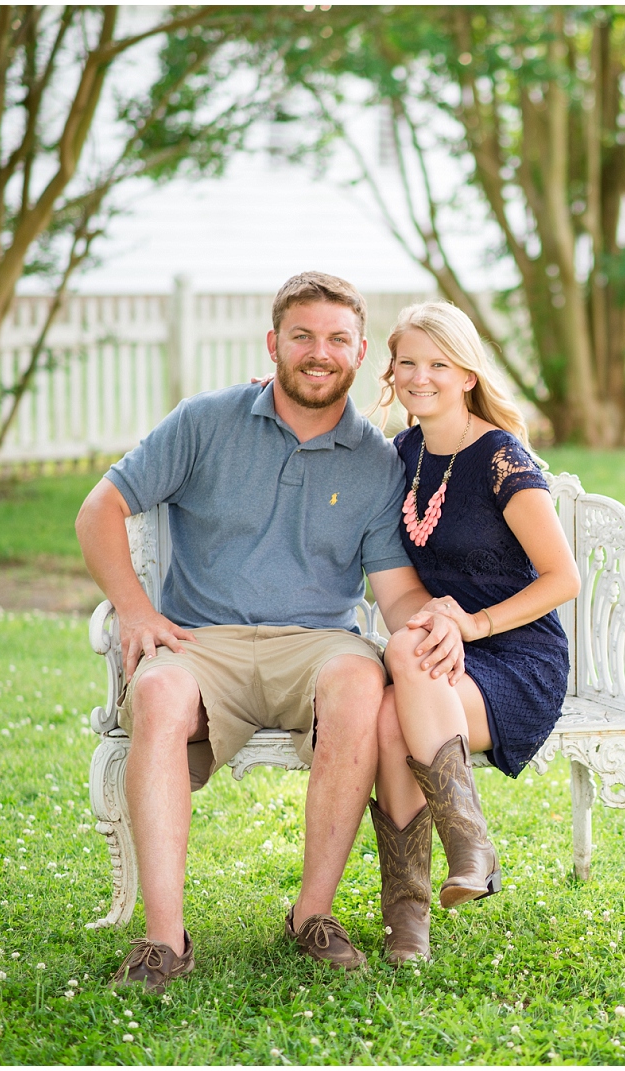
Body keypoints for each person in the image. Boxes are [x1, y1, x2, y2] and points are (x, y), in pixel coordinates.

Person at [75, 272, 464, 992]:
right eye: (304, 336)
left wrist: (438, 621)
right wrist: (134, 608)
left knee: (357, 678)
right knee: (157, 696)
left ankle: (311, 915)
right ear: (273, 344)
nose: (320, 352)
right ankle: (163, 939)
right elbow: (98, 510)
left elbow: (394, 590)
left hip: (316, 643)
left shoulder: (378, 461)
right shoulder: (204, 421)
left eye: (337, 339)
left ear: (360, 352)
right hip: (200, 641)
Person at [366, 302, 580, 964]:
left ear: (466, 375)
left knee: (401, 669)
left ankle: (425, 902)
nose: (420, 376)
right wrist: (440, 628)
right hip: (442, 657)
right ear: (391, 370)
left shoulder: (500, 459)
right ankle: (434, 897)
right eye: (408, 362)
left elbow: (562, 577)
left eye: (439, 364)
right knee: (391, 716)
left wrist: (474, 623)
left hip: (518, 656)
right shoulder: (400, 454)